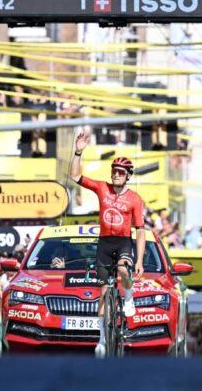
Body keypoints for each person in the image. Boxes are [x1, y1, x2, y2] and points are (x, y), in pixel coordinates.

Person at [70, 132, 145, 358]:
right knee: (103, 292)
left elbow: (140, 230)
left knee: (123, 270)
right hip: (104, 242)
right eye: (114, 171)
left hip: (123, 242)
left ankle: (129, 296)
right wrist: (78, 151)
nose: (116, 175)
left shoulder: (135, 199)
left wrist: (140, 260)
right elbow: (75, 176)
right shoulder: (102, 188)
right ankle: (102, 340)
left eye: (121, 173)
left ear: (128, 176)